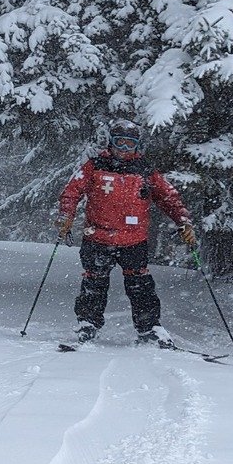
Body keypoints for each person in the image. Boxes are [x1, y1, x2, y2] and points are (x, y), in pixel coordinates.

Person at [56, 119, 194, 347]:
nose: (124, 149)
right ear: (110, 142)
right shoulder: (95, 165)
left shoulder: (145, 170)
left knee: (140, 286)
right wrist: (65, 217)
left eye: (130, 144)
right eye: (120, 142)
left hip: (134, 239)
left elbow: (169, 197)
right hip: (98, 237)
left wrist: (183, 221)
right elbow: (71, 191)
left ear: (137, 145)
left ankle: (149, 329)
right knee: (94, 284)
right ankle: (88, 324)